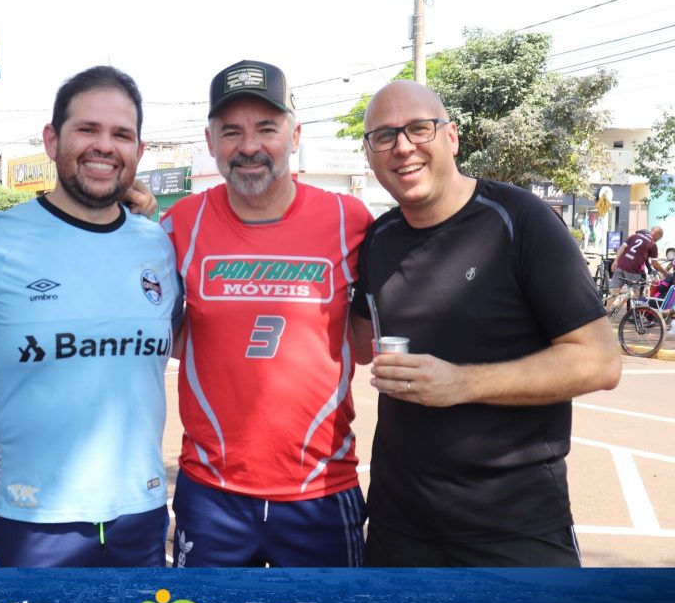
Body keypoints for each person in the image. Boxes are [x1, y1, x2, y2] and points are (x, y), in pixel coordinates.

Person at [350, 80, 621, 567]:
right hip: (399, 529)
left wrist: (461, 382)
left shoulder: (521, 220)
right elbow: (353, 343)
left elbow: (600, 362)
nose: (403, 147)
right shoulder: (378, 240)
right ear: (370, 155)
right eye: (384, 136)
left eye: (419, 128)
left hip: (514, 528)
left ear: (451, 137)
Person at [161, 60, 372, 567]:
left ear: (294, 136)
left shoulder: (350, 220)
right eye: (231, 131)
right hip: (212, 492)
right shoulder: (179, 224)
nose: (249, 146)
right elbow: (157, 331)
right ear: (210, 142)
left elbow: (367, 344)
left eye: (267, 128)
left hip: (320, 489)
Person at [0, 66, 181, 567]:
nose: (104, 146)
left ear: (139, 150)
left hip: (141, 514)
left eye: (121, 135)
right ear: (52, 139)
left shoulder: (157, 244)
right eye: (88, 129)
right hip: (29, 521)